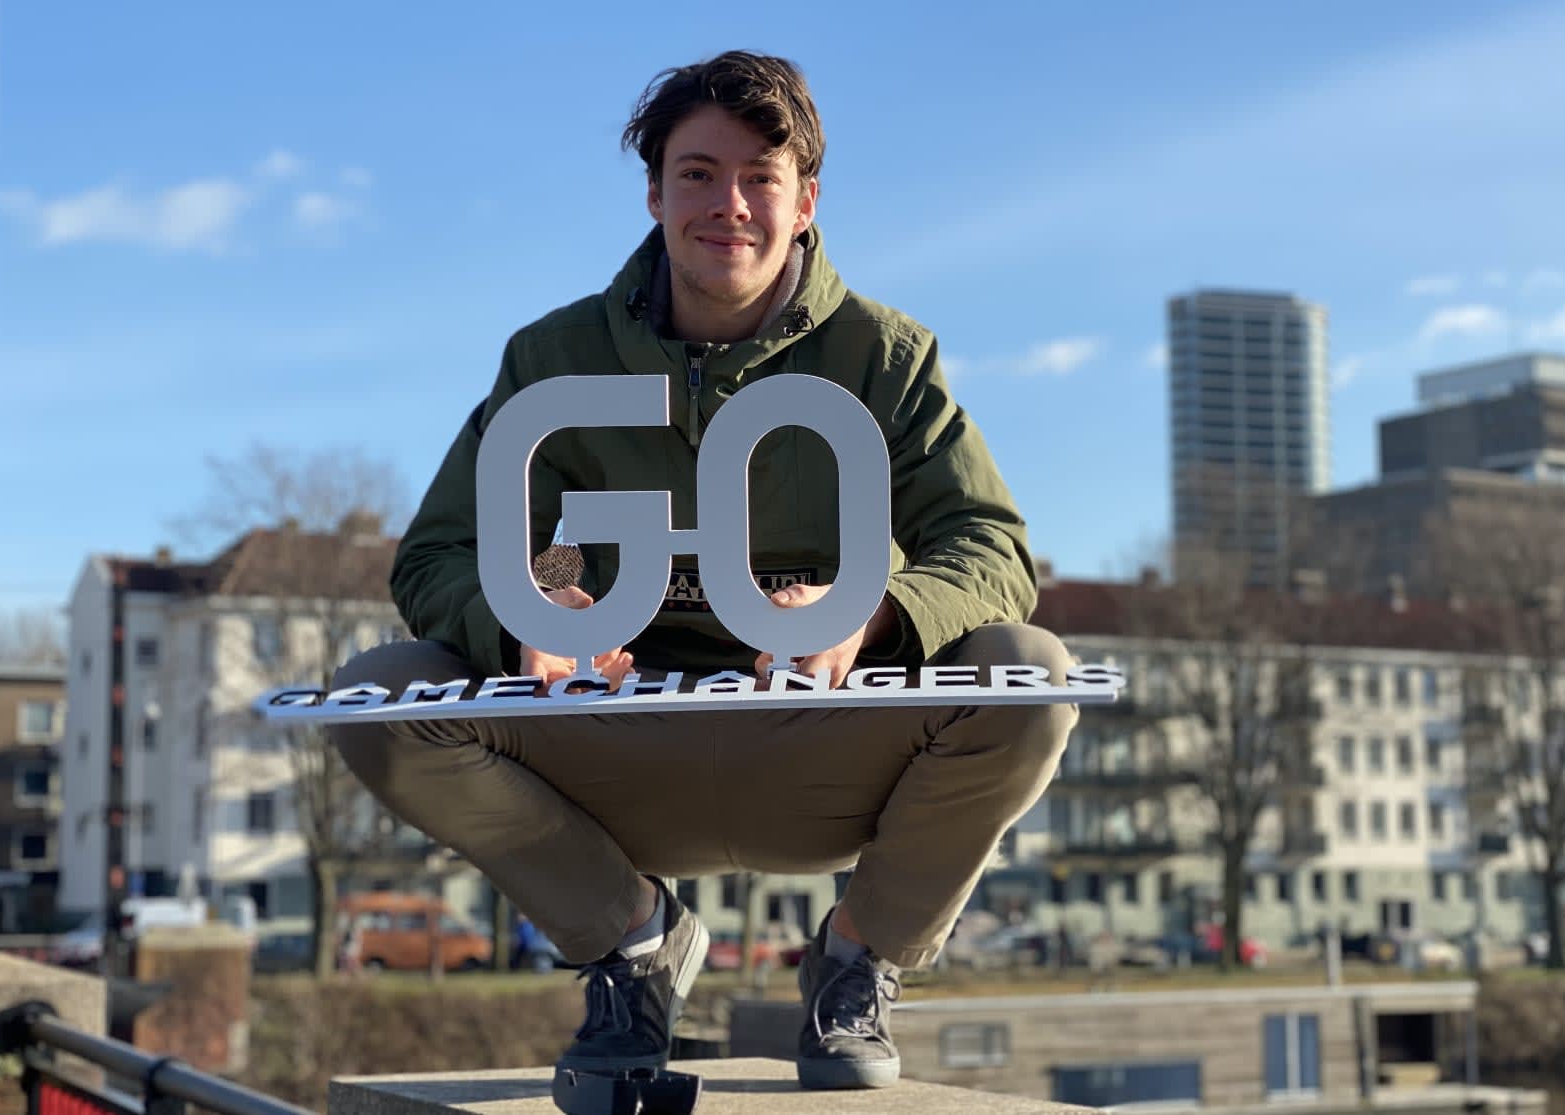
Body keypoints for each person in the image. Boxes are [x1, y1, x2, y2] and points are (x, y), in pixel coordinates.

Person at [328, 50, 1076, 1092]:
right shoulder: (551, 360)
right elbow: (437, 554)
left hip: (822, 741)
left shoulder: (887, 357)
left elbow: (992, 547)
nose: (728, 204)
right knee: (378, 692)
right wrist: (521, 614)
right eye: (697, 173)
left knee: (1027, 671)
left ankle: (855, 958)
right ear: (653, 191)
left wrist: (875, 614)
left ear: (806, 198)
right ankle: (632, 941)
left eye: (760, 177)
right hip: (617, 743)